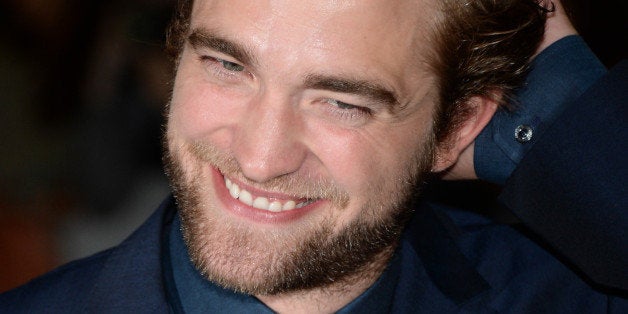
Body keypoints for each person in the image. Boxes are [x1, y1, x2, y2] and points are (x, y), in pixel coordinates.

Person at [1, 0, 626, 313]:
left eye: (342, 102)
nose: (261, 157)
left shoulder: (559, 294)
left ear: (456, 127)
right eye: (226, 65)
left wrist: (566, 109)